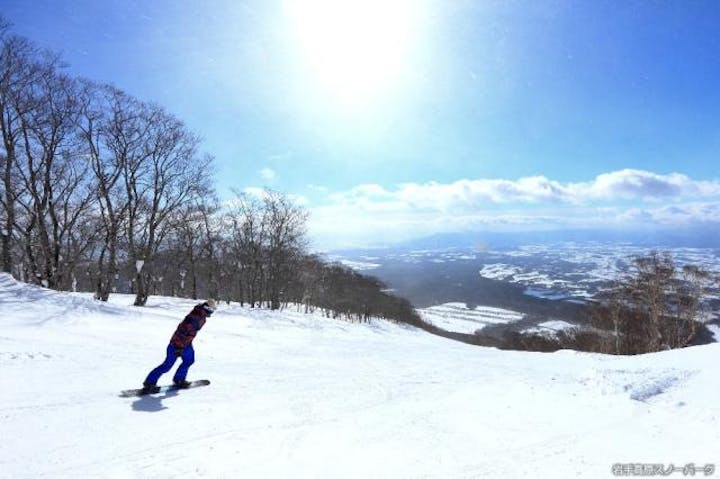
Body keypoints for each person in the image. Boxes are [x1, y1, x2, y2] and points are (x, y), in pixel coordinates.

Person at [143, 299, 216, 389]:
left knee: (189, 360)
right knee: (167, 366)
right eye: (212, 310)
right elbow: (182, 331)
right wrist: (179, 347)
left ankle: (179, 379)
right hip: (176, 344)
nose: (212, 313)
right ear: (207, 308)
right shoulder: (195, 316)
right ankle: (149, 383)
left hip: (186, 344)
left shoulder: (201, 315)